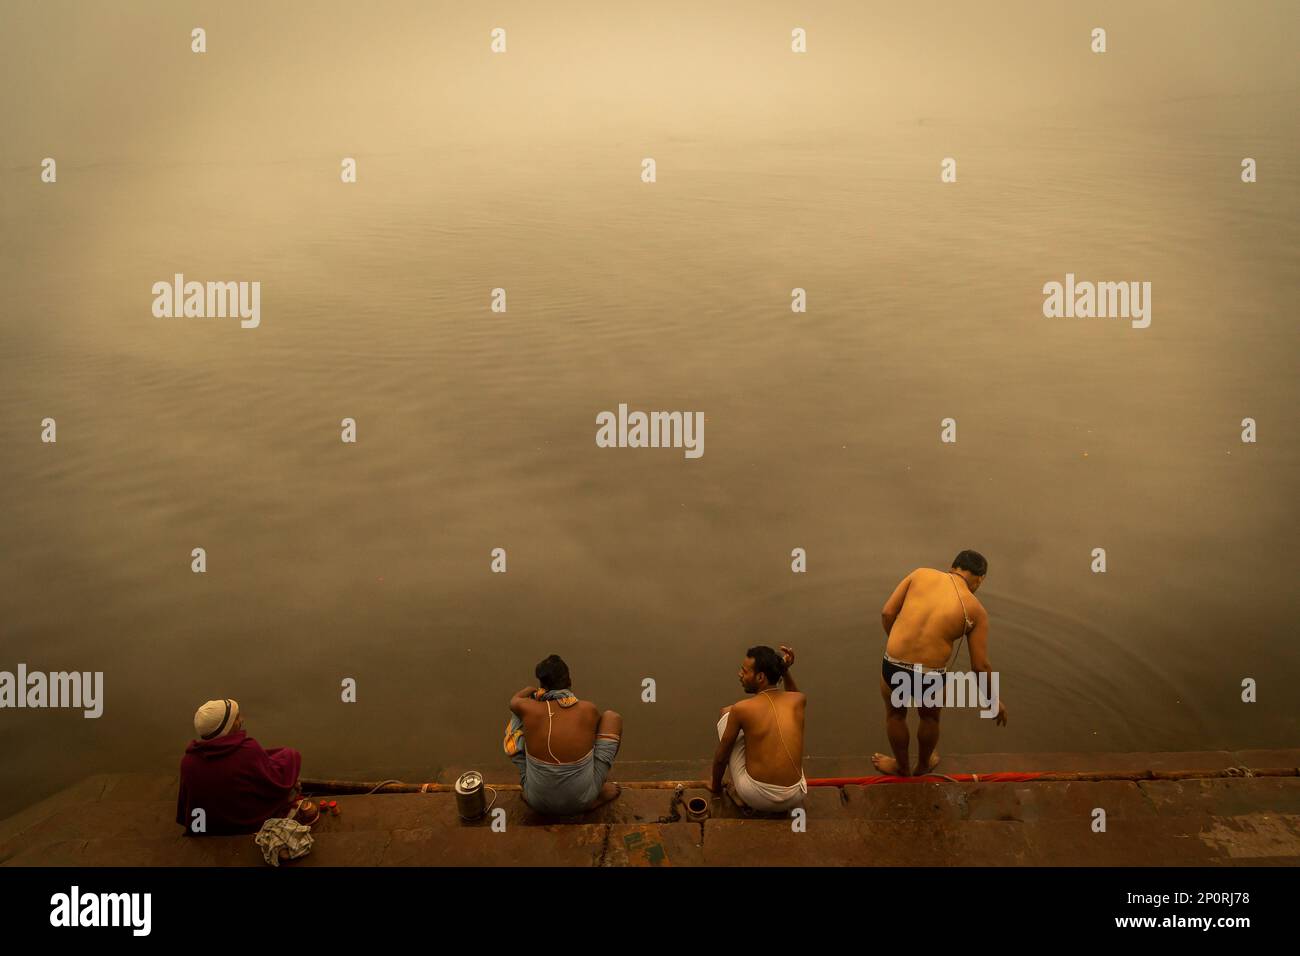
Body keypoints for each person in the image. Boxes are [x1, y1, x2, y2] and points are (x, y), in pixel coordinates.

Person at [873, 551, 1007, 777]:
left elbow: (887, 613)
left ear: (953, 567)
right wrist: (993, 701)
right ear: (980, 578)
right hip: (929, 675)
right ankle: (923, 766)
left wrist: (899, 645)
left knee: (895, 715)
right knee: (929, 718)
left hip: (893, 664)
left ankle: (901, 767)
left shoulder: (920, 574)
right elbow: (980, 666)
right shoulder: (976, 610)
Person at [503, 655, 622, 815]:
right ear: (570, 681)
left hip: (536, 801)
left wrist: (533, 692)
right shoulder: (587, 709)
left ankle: (532, 790)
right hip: (582, 801)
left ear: (542, 685)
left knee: (517, 716)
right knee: (611, 718)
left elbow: (514, 701)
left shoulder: (527, 708)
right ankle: (596, 793)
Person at [175, 698, 303, 835]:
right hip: (246, 824)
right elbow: (275, 783)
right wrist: (292, 758)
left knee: (266, 756)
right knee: (289, 755)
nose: (241, 719)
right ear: (226, 728)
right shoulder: (248, 750)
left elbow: (187, 804)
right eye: (236, 718)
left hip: (207, 826)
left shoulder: (188, 762)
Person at [711, 644, 807, 812]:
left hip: (758, 796)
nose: (740, 675)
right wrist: (784, 670)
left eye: (745, 671)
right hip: (797, 793)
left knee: (726, 713)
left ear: (761, 677)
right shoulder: (799, 700)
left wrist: (715, 787)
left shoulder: (742, 708)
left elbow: (721, 757)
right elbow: (793, 696)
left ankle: (742, 796)